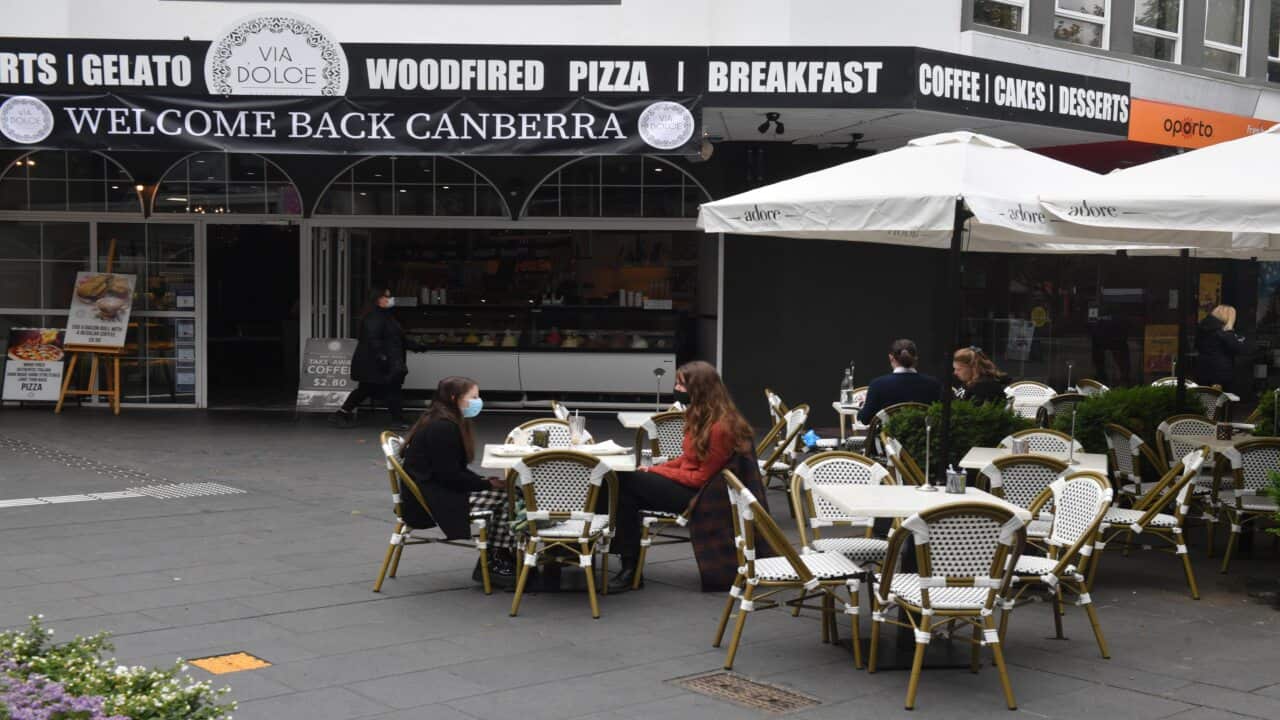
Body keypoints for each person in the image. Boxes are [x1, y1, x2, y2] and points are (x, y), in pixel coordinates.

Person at [604, 360, 755, 593]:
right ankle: (627, 565)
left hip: (704, 496)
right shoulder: (702, 415)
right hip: (692, 486)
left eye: (681, 385)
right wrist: (657, 468)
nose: (677, 389)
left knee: (623, 483)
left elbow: (701, 478)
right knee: (622, 489)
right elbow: (687, 459)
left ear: (700, 388)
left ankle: (625, 566)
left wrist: (658, 471)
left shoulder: (720, 428)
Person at [400, 376, 517, 584]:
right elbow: (450, 476)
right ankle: (497, 558)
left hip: (431, 489)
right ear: (455, 398)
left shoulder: (438, 420)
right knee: (510, 497)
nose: (477, 401)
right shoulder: (443, 427)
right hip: (432, 498)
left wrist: (483, 481)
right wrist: (485, 483)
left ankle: (498, 554)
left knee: (505, 492)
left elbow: (451, 470)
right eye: (473, 397)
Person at [330, 288, 425, 429]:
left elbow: (397, 338)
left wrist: (418, 346)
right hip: (377, 362)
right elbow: (373, 340)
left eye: (390, 296)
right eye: (386, 296)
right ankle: (397, 420)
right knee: (391, 389)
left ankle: (341, 414)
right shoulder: (375, 317)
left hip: (377, 361)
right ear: (377, 299)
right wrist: (383, 358)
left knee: (366, 389)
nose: (390, 299)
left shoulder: (385, 316)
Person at [857, 338, 942, 425]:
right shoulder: (934, 384)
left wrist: (861, 408)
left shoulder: (878, 385)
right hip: (923, 437)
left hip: (887, 437)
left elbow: (865, 419)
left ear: (891, 358)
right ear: (916, 358)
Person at [1196, 304, 1246, 391]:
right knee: (1221, 400)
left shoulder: (1202, 327)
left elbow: (1197, 345)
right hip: (1220, 374)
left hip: (1203, 370)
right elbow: (1237, 348)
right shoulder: (1222, 331)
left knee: (1205, 399)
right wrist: (1230, 329)